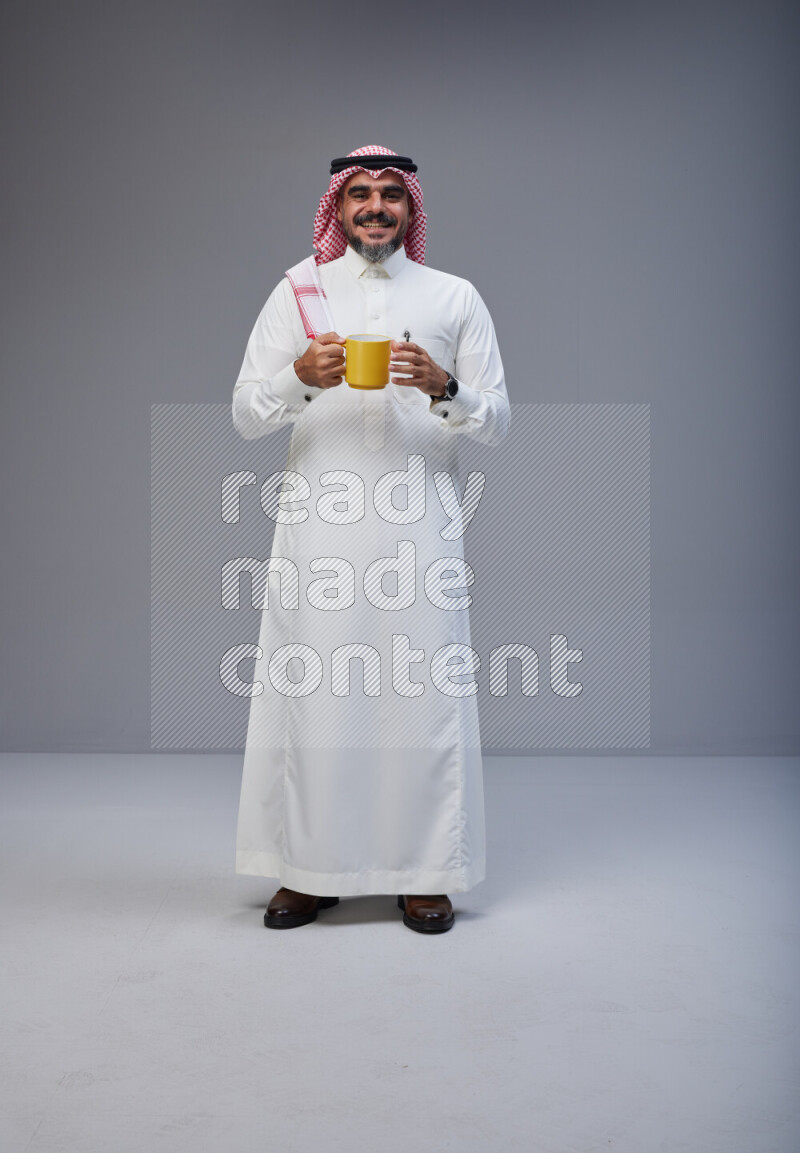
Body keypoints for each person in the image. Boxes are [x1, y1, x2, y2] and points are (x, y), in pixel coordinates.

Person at [232, 145, 510, 933]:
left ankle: (426, 872)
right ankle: (308, 870)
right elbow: (246, 412)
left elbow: (499, 420)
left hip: (420, 525)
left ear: (412, 208)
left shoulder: (455, 296)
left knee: (419, 698)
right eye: (360, 195)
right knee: (318, 695)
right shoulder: (299, 291)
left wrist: (446, 389)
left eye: (392, 194)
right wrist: (298, 378)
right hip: (320, 526)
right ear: (338, 207)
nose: (377, 207)